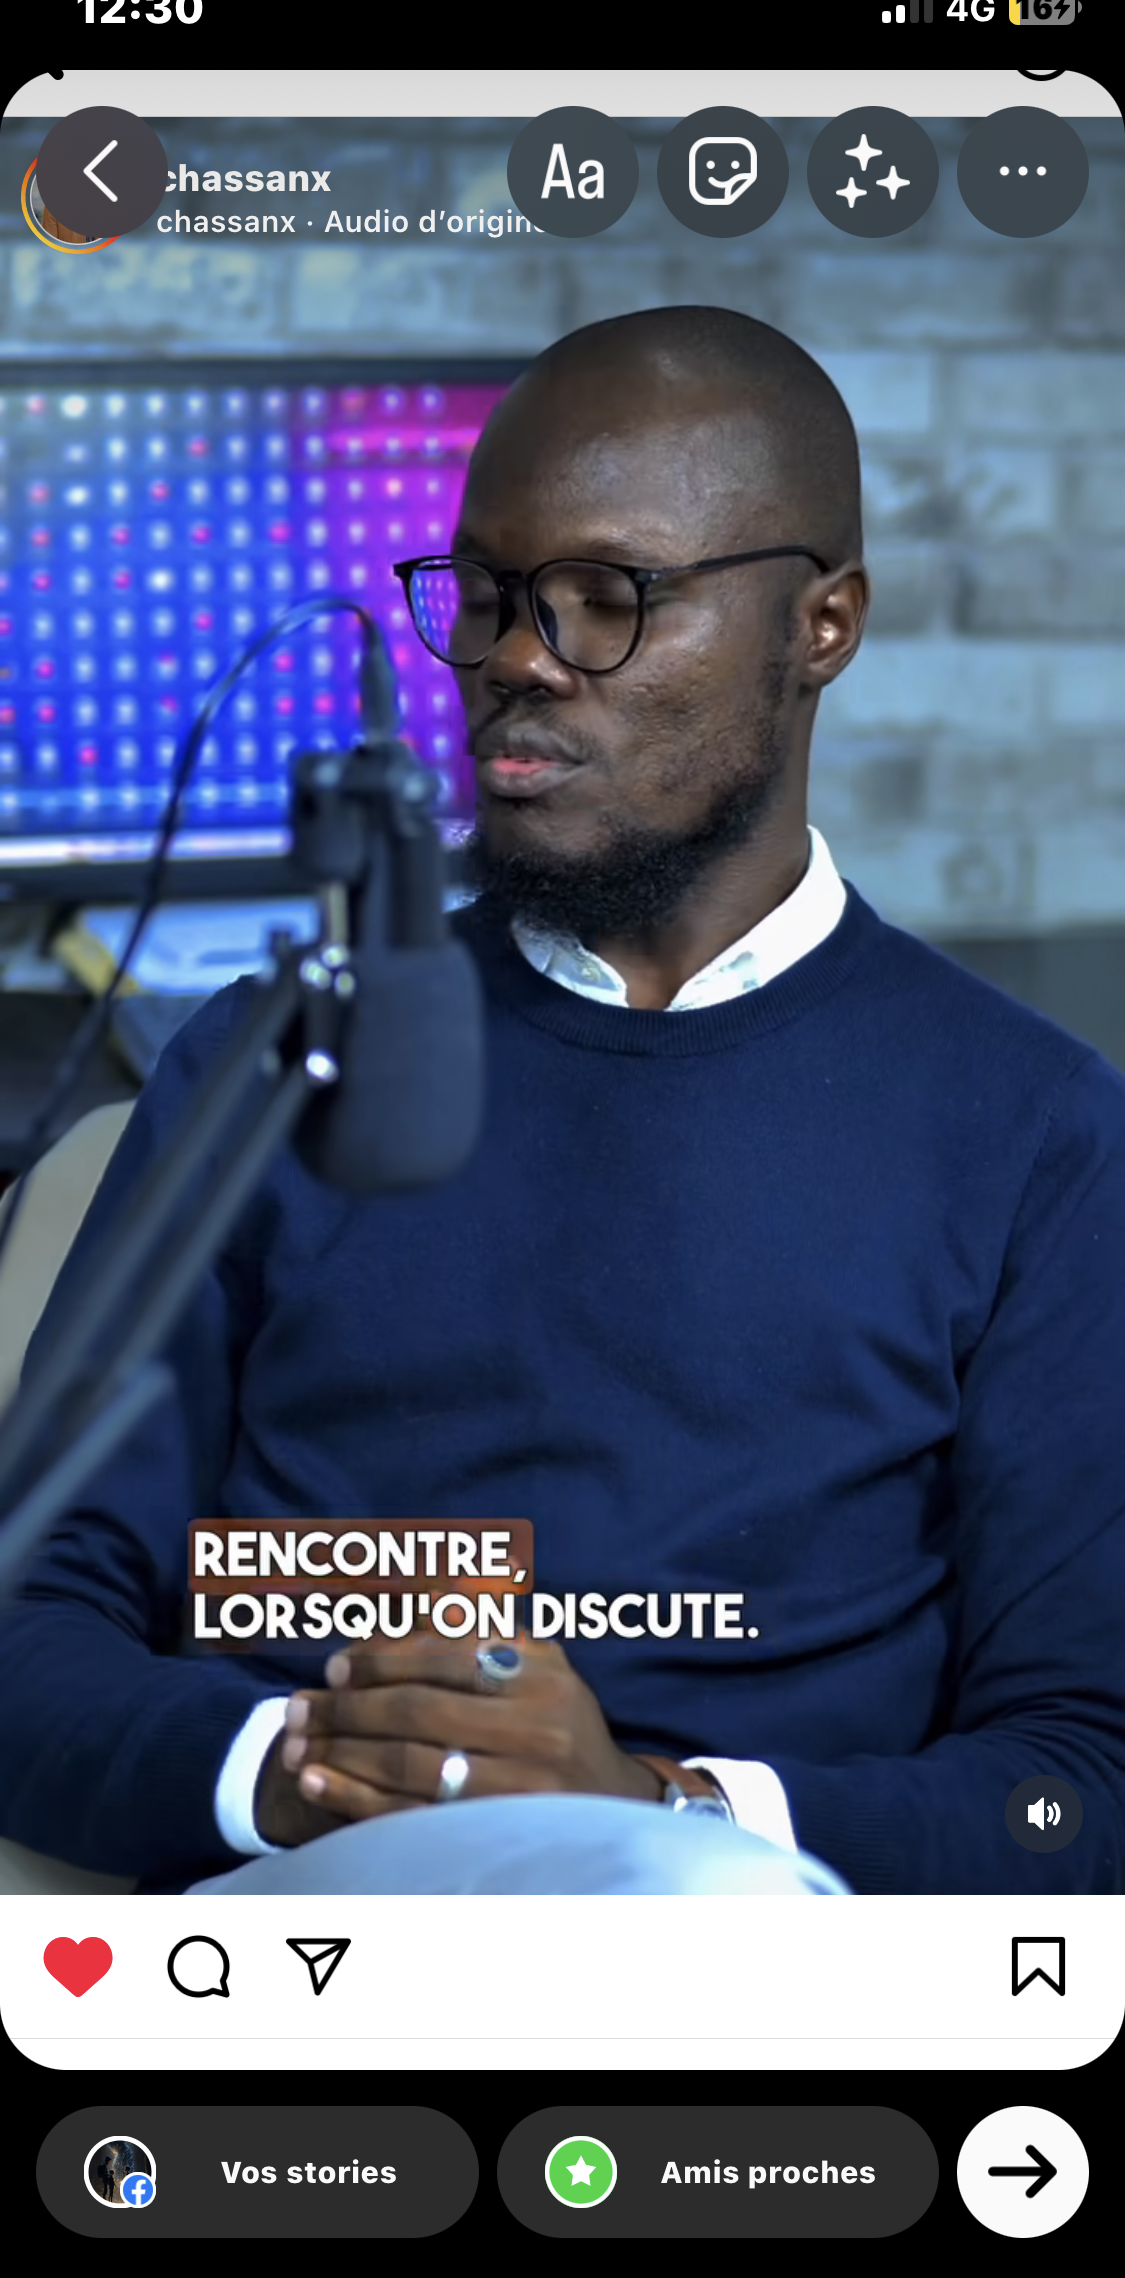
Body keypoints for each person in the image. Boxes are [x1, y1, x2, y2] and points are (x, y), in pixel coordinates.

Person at [1, 305, 1123, 1897]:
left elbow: (1077, 1782)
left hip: (759, 1945)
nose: (519, 660)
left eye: (611, 599)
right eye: (489, 597)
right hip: (318, 1928)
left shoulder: (1037, 1133)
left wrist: (660, 1810)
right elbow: (29, 1624)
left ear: (821, 626)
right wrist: (314, 1775)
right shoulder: (267, 1065)